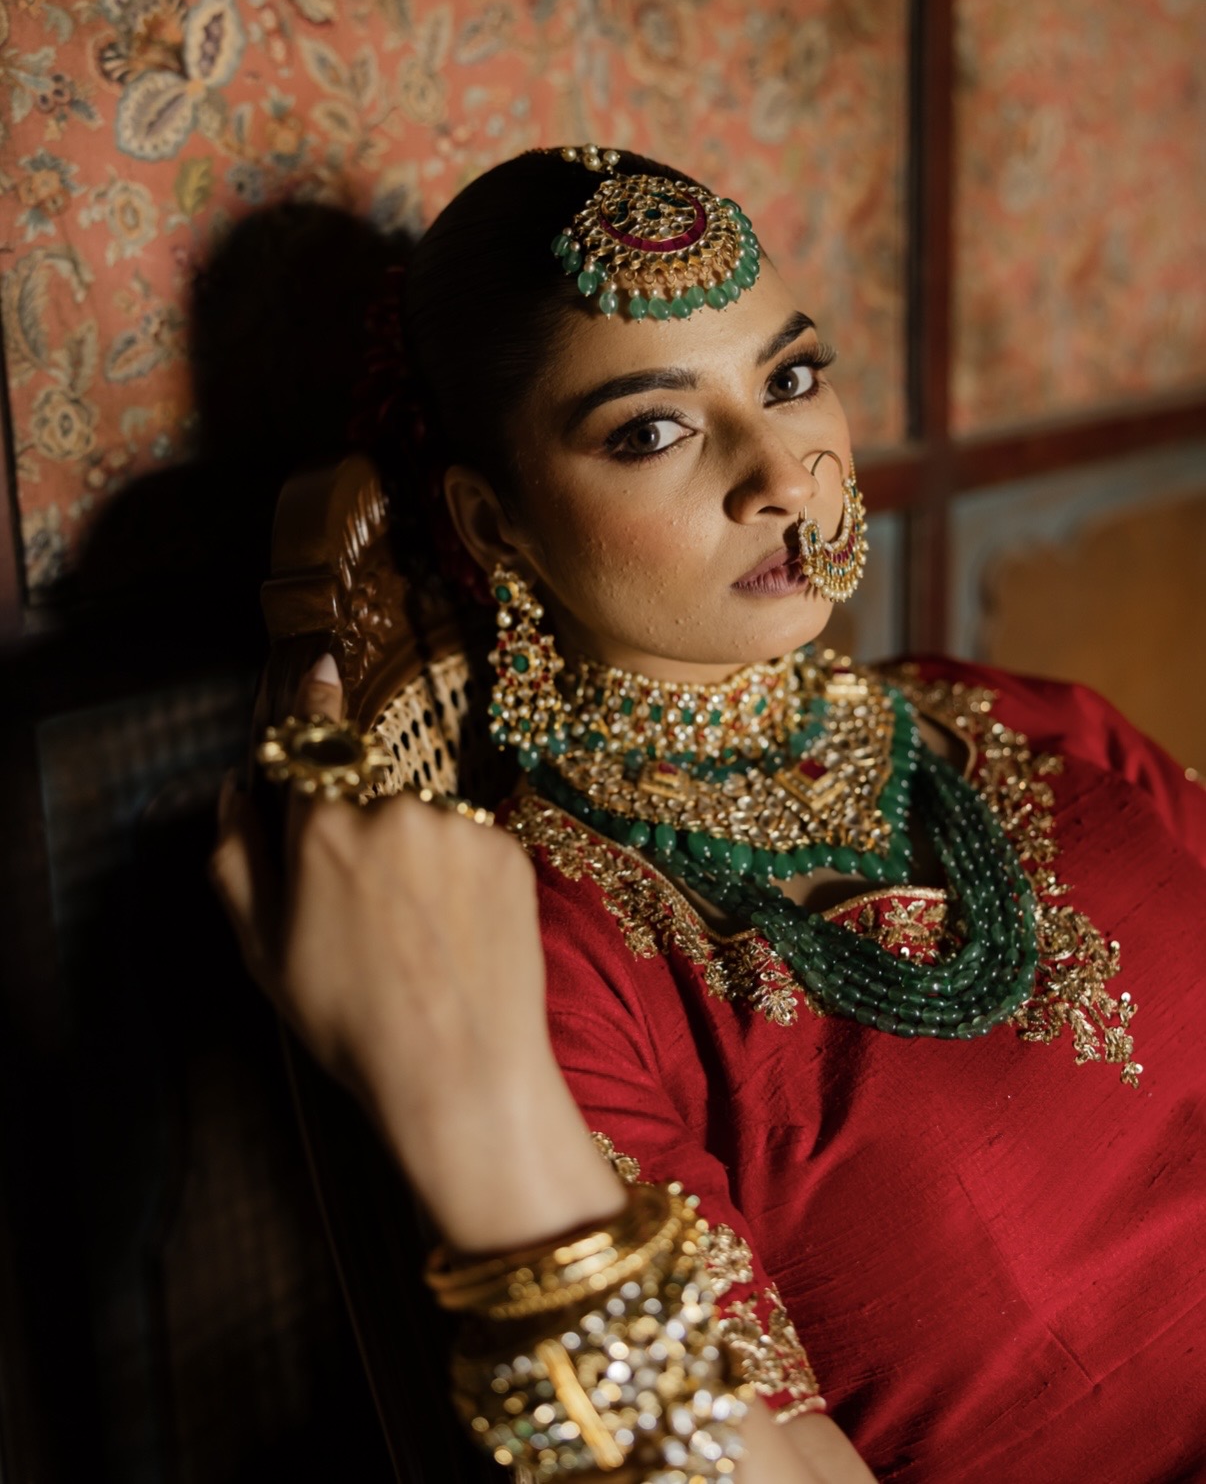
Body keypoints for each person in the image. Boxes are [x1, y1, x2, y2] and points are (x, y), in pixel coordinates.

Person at [213, 147, 1206, 1484]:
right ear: (493, 525)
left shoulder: (1018, 719)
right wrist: (468, 1111)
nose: (782, 475)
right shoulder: (557, 953)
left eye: (788, 379)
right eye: (651, 431)